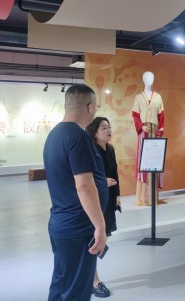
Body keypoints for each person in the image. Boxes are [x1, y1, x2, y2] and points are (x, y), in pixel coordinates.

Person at [43, 84, 108, 301]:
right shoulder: (78, 137)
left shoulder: (54, 134)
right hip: (78, 226)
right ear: (90, 107)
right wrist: (100, 226)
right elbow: (84, 186)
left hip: (62, 222)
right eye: (96, 106)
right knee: (75, 291)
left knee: (62, 283)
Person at [85, 117, 121, 298]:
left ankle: (90, 277)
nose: (108, 130)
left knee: (101, 240)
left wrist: (118, 195)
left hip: (108, 199)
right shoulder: (91, 151)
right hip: (96, 200)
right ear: (95, 132)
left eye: (109, 127)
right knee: (95, 240)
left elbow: (115, 174)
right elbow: (87, 178)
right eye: (104, 128)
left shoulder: (110, 149)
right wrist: (102, 182)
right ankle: (94, 280)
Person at [131, 71, 165, 206]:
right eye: (147, 77)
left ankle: (153, 196)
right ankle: (144, 197)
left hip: (154, 131)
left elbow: (161, 116)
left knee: (155, 159)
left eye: (152, 77)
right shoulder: (138, 98)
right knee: (144, 160)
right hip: (144, 131)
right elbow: (135, 115)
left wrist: (159, 132)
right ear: (143, 79)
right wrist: (141, 126)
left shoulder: (158, 97)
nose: (150, 79)